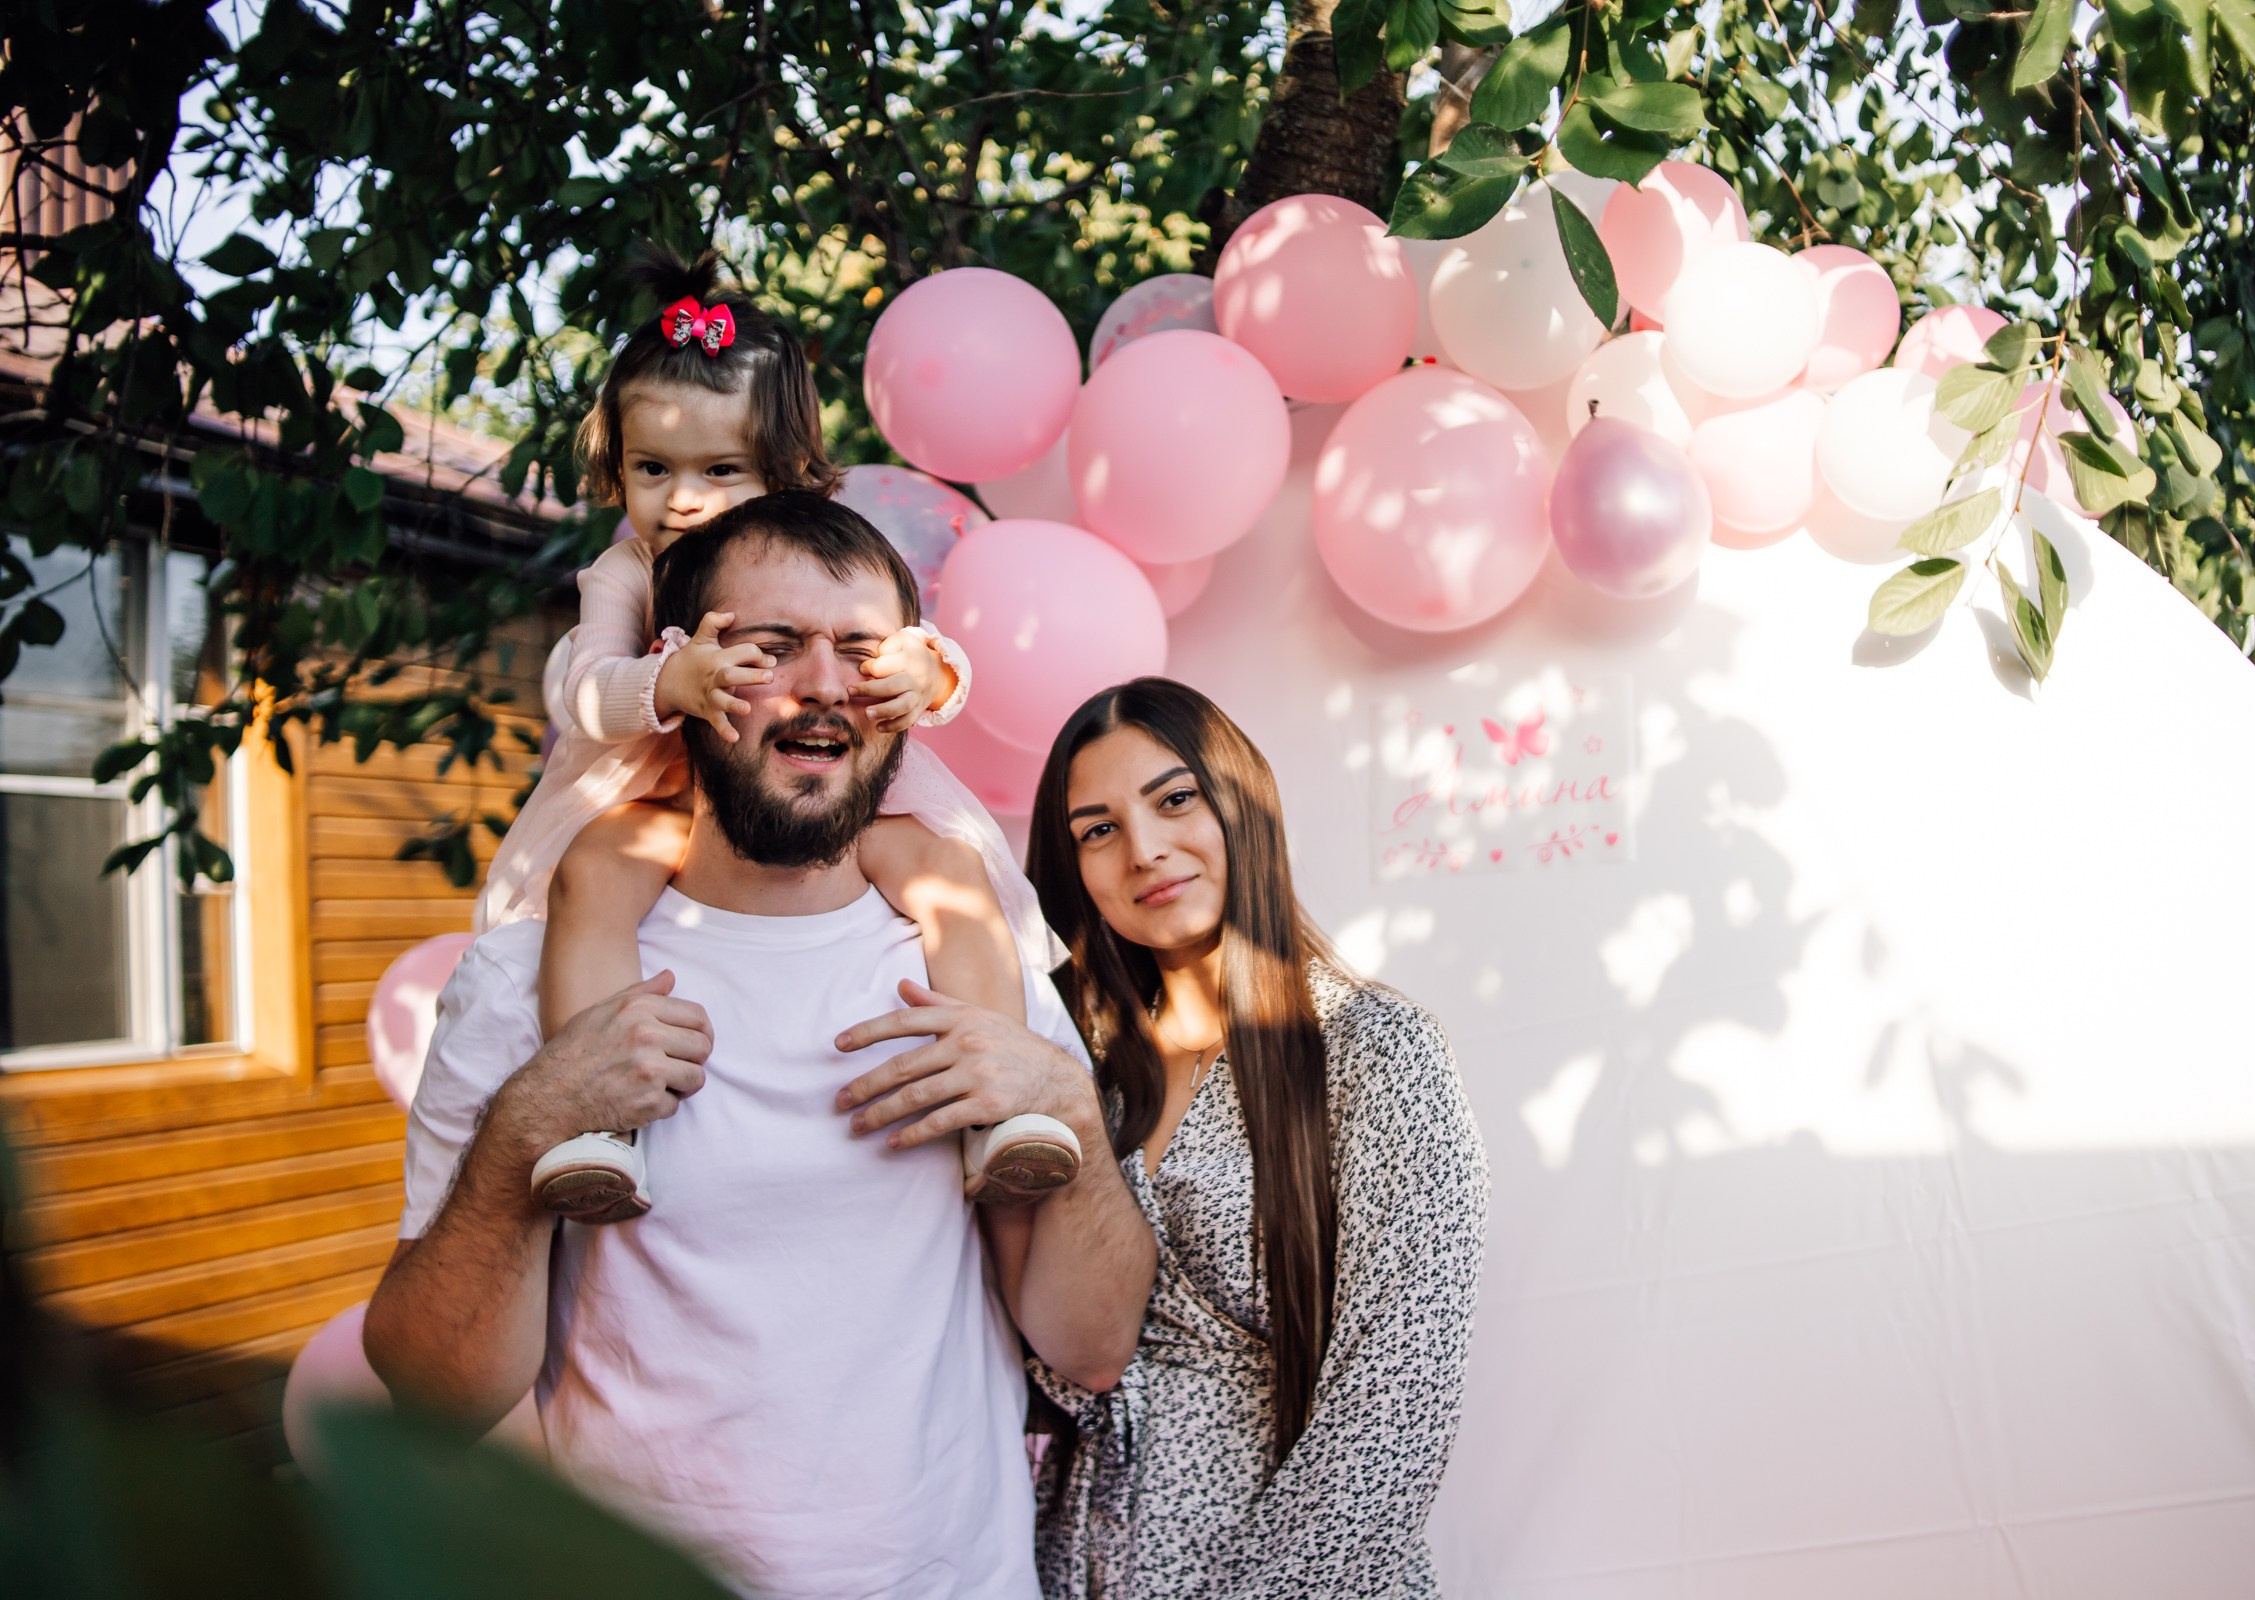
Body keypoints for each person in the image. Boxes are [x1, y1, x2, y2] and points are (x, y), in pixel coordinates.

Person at [364, 494, 1156, 1600]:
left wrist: (1070, 1112)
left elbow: (1094, 1345)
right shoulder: (522, 983)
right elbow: (428, 1393)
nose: (824, 684)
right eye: (772, 647)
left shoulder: (974, 958)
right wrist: (521, 1142)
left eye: (860, 653)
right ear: (681, 681)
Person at [850, 677, 1489, 1598]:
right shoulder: (1081, 1074)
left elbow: (1395, 1412)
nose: (1144, 851)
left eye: (1175, 799)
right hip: (1074, 1565)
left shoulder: (1375, 1049)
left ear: (1242, 802)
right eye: (1098, 829)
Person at [479, 246, 1077, 1225]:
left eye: (721, 470)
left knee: (945, 873)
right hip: (657, 792)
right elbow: (580, 688)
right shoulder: (625, 572)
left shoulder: (817, 554)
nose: (682, 499)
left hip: (797, 780)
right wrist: (665, 680)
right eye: (652, 468)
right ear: (614, 468)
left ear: (786, 473)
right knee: (593, 876)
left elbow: (912, 654)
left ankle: (995, 1105)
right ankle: (596, 1124)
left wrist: (932, 673)